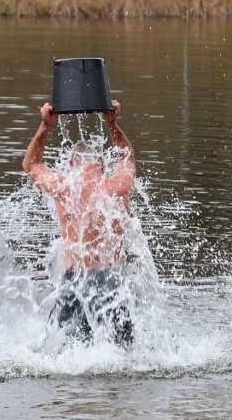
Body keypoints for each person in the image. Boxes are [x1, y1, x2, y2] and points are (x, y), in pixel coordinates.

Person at [22, 100, 136, 345]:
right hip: (110, 279)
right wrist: (112, 123)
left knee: (65, 351)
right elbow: (127, 158)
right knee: (123, 352)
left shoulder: (64, 188)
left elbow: (30, 164)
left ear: (71, 163)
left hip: (74, 279)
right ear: (103, 165)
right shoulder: (117, 187)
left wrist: (45, 125)